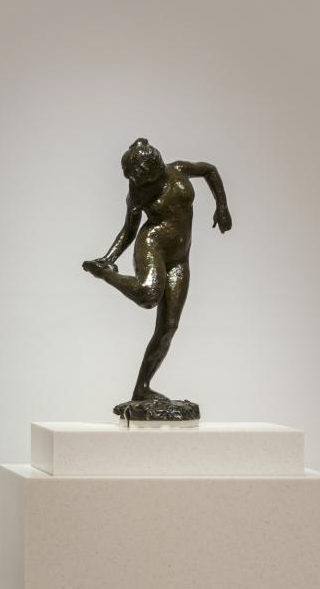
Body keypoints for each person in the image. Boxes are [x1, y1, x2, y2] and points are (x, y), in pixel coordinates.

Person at [83, 136, 232, 416]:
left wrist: (222, 206)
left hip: (180, 258)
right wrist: (109, 258)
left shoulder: (178, 170)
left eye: (141, 178)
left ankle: (142, 388)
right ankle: (104, 274)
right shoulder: (138, 193)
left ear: (154, 168)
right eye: (135, 181)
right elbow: (129, 230)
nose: (138, 185)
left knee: (168, 327)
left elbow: (209, 170)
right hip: (152, 245)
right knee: (148, 295)